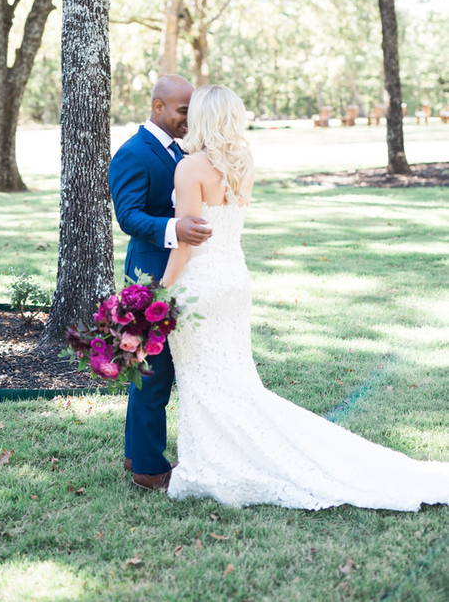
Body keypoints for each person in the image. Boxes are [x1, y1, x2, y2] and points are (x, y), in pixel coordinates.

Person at [161, 84, 449, 509]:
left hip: (201, 284)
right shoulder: (243, 161)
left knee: (205, 381)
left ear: (201, 117)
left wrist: (156, 293)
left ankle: (214, 464)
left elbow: (187, 244)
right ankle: (218, 457)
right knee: (234, 379)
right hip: (235, 280)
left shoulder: (190, 168)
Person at [108, 74, 212, 491]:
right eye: (184, 111)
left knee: (158, 368)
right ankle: (149, 469)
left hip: (184, 275)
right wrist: (175, 228)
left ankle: (137, 451)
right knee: (152, 371)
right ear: (158, 108)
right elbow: (128, 216)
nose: (190, 120)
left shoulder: (183, 151)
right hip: (150, 275)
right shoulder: (133, 153)